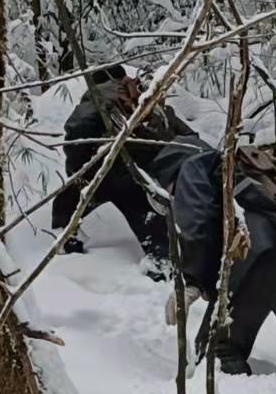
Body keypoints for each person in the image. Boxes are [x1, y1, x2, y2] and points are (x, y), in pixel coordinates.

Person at [171, 143, 276, 375]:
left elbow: (196, 223)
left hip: (261, 248)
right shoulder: (233, 166)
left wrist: (193, 280)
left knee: (218, 351)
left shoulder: (190, 167)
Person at [51, 66, 206, 259]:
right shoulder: (144, 96)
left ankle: (66, 242)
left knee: (69, 200)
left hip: (121, 166)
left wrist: (78, 171)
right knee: (145, 212)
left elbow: (77, 130)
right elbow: (188, 134)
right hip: (162, 166)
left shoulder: (99, 96)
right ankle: (168, 265)